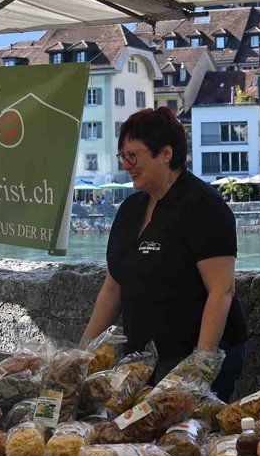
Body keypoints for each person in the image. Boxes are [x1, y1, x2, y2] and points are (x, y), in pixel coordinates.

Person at [79, 107, 249, 401]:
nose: (127, 165)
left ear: (166, 153)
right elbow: (112, 286)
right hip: (143, 360)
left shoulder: (204, 207)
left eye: (134, 156)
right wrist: (82, 353)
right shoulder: (131, 210)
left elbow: (222, 290)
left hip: (193, 354)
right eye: (123, 157)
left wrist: (201, 365)